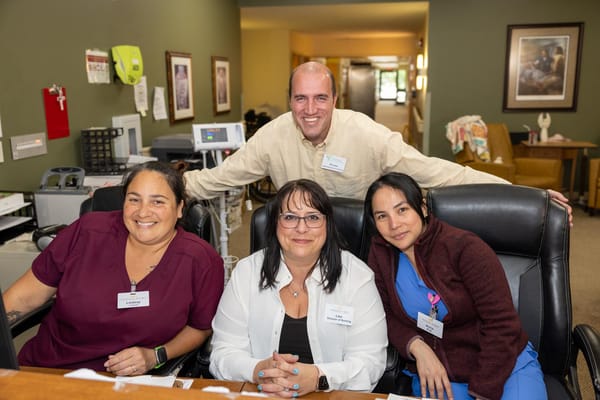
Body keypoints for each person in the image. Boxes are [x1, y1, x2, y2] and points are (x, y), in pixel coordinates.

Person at [183, 61, 571, 223]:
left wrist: (522, 194)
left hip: (359, 241)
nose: (310, 109)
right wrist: (162, 188)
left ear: (335, 100)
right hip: (299, 238)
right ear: (290, 101)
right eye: (300, 98)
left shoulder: (366, 134)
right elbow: (219, 177)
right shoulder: (272, 137)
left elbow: (437, 172)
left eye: (320, 98)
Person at [3, 161, 224, 375]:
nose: (143, 212)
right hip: (47, 369)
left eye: (158, 202)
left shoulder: (201, 260)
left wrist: (156, 356)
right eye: (134, 200)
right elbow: (22, 299)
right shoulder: (86, 232)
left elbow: (200, 327)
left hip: (130, 382)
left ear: (179, 209)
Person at [364, 172, 547, 400]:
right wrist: (417, 348)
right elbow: (384, 316)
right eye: (382, 216)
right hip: (437, 373)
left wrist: (484, 390)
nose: (394, 224)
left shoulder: (464, 248)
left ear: (422, 209)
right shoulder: (381, 253)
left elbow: (502, 324)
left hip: (502, 363)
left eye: (402, 210)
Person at [209, 179, 387, 397]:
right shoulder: (246, 273)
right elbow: (222, 354)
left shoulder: (358, 277)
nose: (301, 228)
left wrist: (318, 378)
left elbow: (371, 362)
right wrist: (258, 371)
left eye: (313, 217)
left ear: (327, 224)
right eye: (290, 217)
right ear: (275, 223)